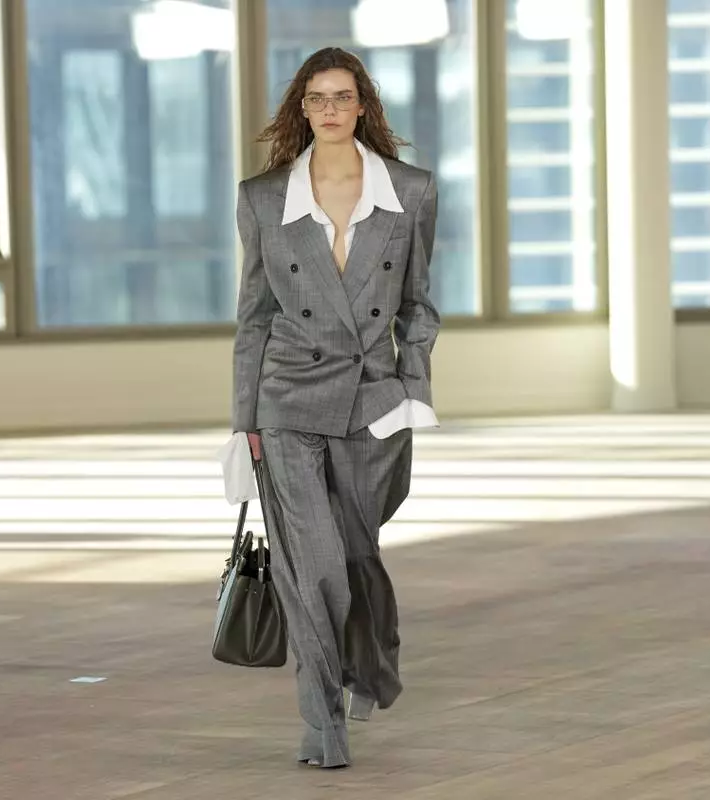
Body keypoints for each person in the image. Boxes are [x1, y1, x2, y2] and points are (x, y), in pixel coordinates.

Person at [231, 46, 440, 769]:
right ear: (302, 108)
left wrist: (412, 391)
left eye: (342, 96)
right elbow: (254, 318)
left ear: (362, 106)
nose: (329, 109)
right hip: (286, 400)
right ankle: (322, 722)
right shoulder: (263, 198)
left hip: (373, 404)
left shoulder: (410, 191)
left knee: (356, 558)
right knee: (310, 566)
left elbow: (418, 306)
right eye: (316, 98)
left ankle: (372, 664)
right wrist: (242, 424)